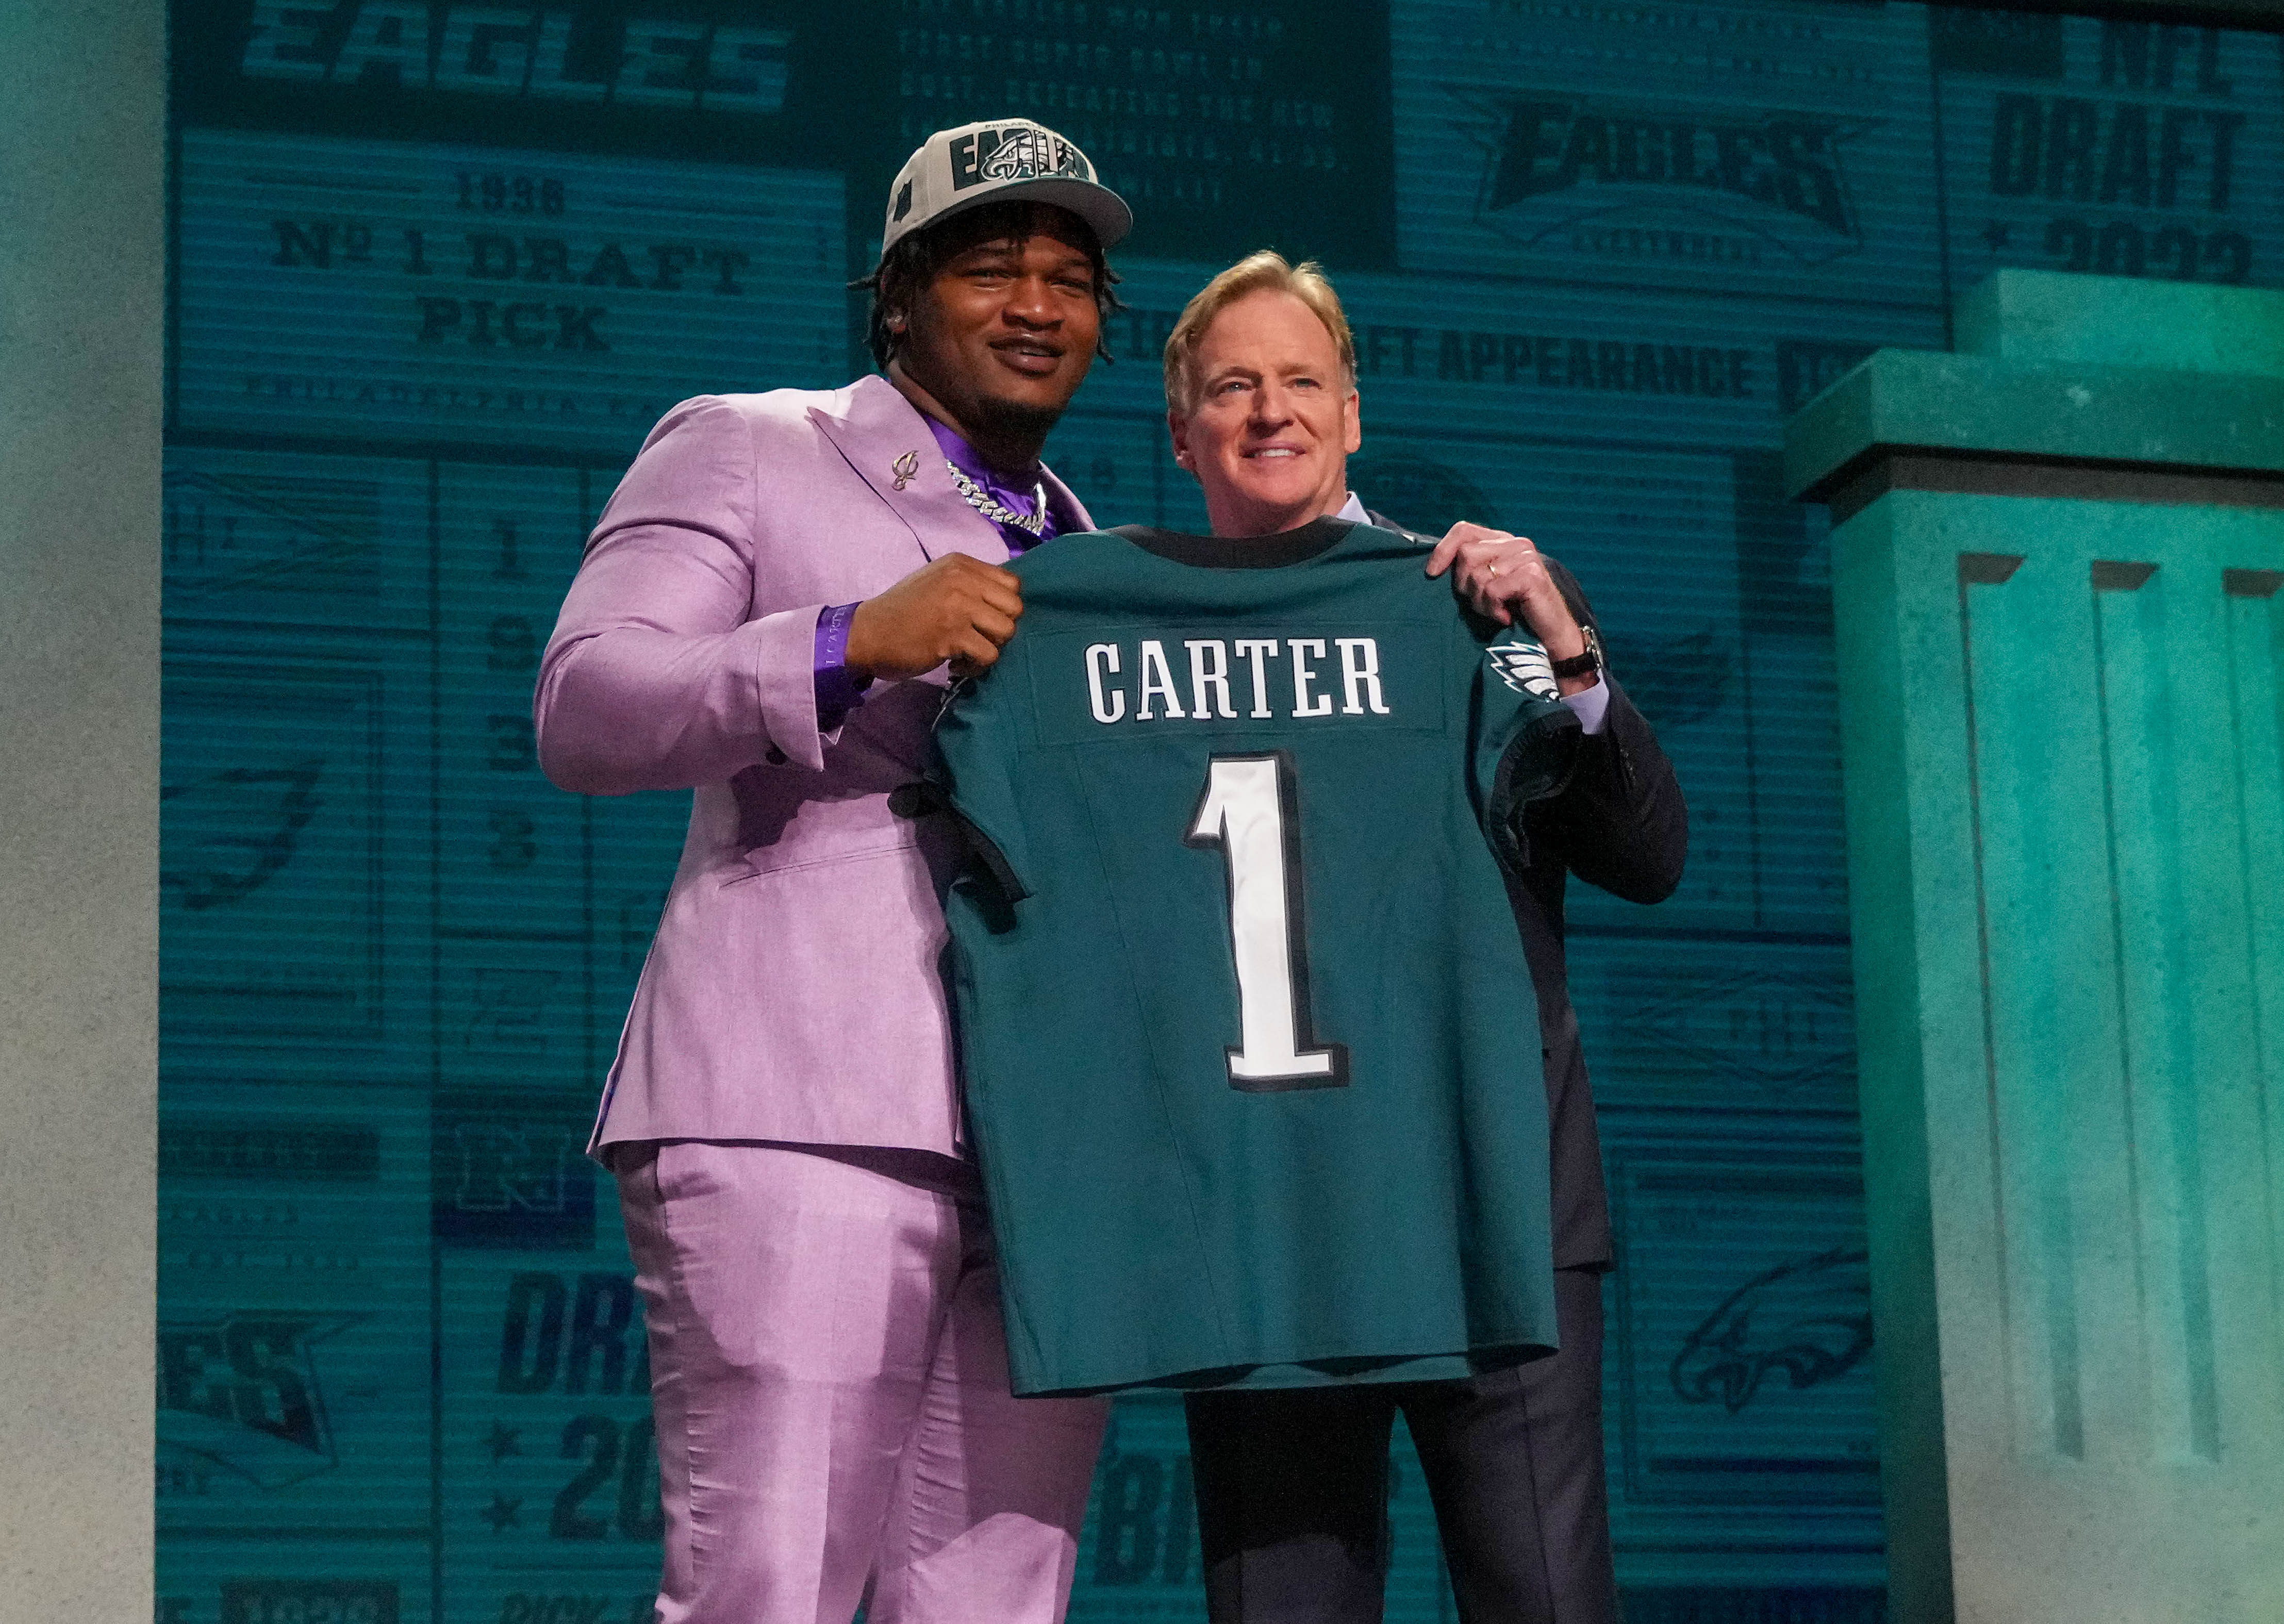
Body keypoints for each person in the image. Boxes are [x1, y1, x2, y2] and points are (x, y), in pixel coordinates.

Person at [532, 119, 1131, 1624]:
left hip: (1038, 1149)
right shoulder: (750, 442)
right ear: (898, 297)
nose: (1039, 304)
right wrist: (848, 638)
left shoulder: (1092, 552)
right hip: (796, 1107)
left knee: (1001, 1605)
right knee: (772, 1595)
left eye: (1072, 279)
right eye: (993, 267)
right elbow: (587, 705)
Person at [1160, 253, 1688, 1623]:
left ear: (1352, 415)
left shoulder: (1488, 606)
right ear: (1183, 430)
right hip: (1266, 1224)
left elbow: (1648, 859)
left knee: (1544, 1601)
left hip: (1493, 1198)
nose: (1269, 410)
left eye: (1301, 382)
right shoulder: (1127, 654)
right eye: (1233, 386)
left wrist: (1568, 649)